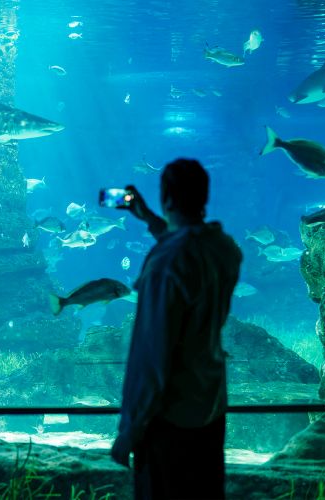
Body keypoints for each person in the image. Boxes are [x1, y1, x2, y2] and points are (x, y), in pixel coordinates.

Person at [110, 158, 242, 499]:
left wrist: (130, 428)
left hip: (168, 418)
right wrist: (151, 220)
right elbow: (191, 247)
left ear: (167, 197)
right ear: (204, 196)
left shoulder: (166, 263)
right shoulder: (224, 249)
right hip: (209, 406)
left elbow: (153, 355)